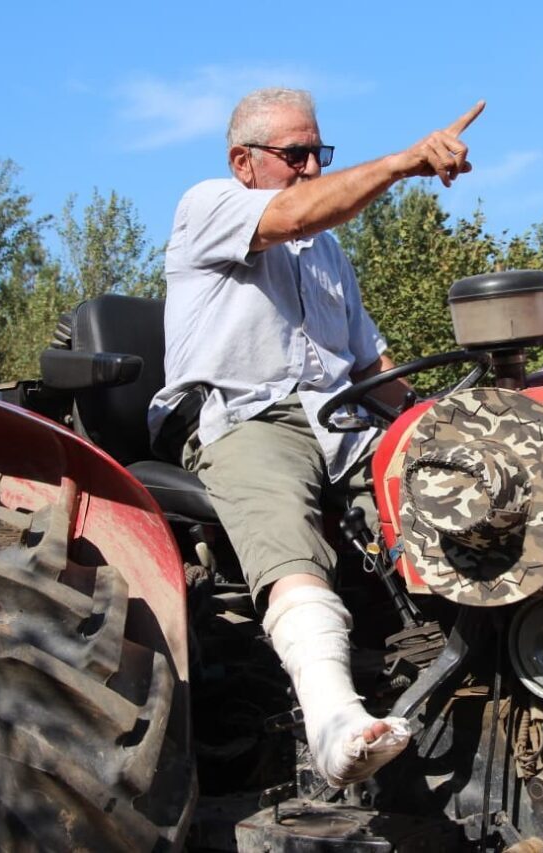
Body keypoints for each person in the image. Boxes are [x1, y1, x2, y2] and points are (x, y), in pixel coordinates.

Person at [148, 88, 484, 788]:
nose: (310, 168)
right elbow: (296, 210)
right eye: (294, 154)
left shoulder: (328, 254)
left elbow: (371, 368)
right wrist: (403, 163)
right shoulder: (208, 206)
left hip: (341, 424)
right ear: (243, 162)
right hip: (241, 417)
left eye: (317, 154)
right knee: (279, 503)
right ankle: (335, 718)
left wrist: (443, 424)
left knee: (454, 493)